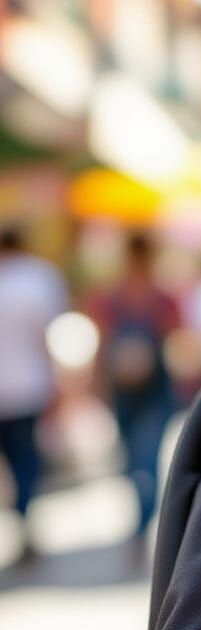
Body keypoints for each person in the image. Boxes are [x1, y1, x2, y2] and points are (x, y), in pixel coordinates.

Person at [88, 231, 181, 541]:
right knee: (136, 459)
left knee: (142, 457)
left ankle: (142, 521)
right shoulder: (118, 298)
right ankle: (143, 516)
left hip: (152, 390)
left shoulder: (156, 297)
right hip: (132, 391)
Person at [0, 224, 70, 561]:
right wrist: (55, 381)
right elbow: (46, 335)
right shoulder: (38, 278)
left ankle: (20, 522)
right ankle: (23, 522)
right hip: (28, 386)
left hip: (18, 386)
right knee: (25, 460)